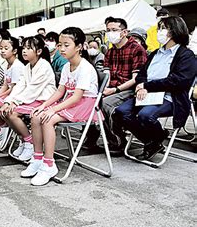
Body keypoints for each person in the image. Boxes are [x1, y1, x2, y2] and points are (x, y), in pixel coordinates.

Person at [114, 16, 196, 160]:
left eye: (163, 28)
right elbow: (141, 74)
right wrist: (141, 86)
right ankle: (154, 140)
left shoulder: (186, 55)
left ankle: (154, 139)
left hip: (170, 97)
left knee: (146, 115)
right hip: (146, 94)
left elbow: (178, 81)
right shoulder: (155, 54)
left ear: (175, 31)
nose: (159, 32)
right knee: (121, 112)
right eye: (160, 28)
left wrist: (147, 86)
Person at [24, 27, 99, 186]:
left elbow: (78, 96)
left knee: (48, 119)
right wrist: (44, 105)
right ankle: (37, 158)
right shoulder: (66, 66)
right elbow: (60, 91)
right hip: (71, 101)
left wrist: (52, 109)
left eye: (66, 45)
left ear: (79, 47)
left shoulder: (85, 68)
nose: (61, 49)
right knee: (36, 114)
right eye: (60, 45)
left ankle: (49, 164)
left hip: (85, 104)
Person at [85, 17, 147, 155]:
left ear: (124, 32)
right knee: (90, 99)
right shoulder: (111, 51)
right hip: (113, 88)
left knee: (106, 104)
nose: (110, 33)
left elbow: (136, 79)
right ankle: (93, 138)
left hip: (131, 89)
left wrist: (115, 90)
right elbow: (106, 75)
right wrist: (103, 90)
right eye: (108, 30)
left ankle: (117, 141)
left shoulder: (137, 49)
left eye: (114, 30)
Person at [0, 35, 57, 162]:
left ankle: (29, 142)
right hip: (32, 99)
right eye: (23, 48)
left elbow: (33, 89)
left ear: (39, 51)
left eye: (28, 48)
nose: (24, 51)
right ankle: (24, 140)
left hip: (43, 101)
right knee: (5, 111)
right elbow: (20, 86)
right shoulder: (27, 67)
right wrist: (9, 101)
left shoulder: (44, 66)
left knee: (12, 114)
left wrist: (15, 103)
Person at [0, 37, 24, 147]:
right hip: (8, 94)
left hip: (16, 96)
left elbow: (14, 89)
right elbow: (5, 86)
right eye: (1, 48)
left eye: (6, 48)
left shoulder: (17, 66)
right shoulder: (7, 64)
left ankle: (4, 126)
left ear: (15, 51)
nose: (2, 50)